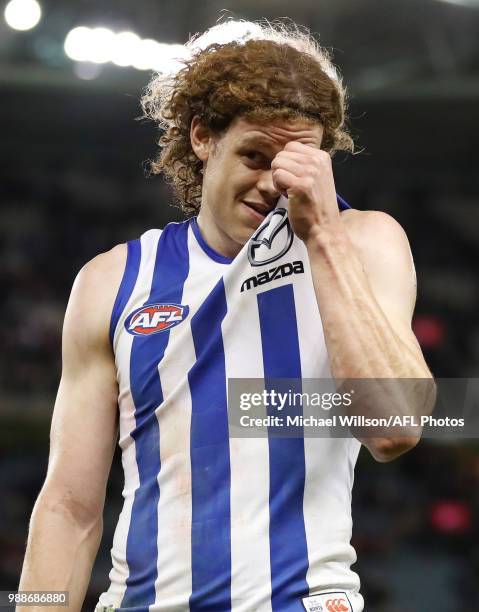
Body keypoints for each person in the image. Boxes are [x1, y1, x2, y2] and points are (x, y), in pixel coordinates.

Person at [18, 19, 434, 612]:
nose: (272, 182)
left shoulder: (364, 243)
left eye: (296, 161)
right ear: (202, 137)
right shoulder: (111, 280)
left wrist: (323, 235)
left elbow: (395, 425)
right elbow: (68, 506)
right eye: (254, 154)